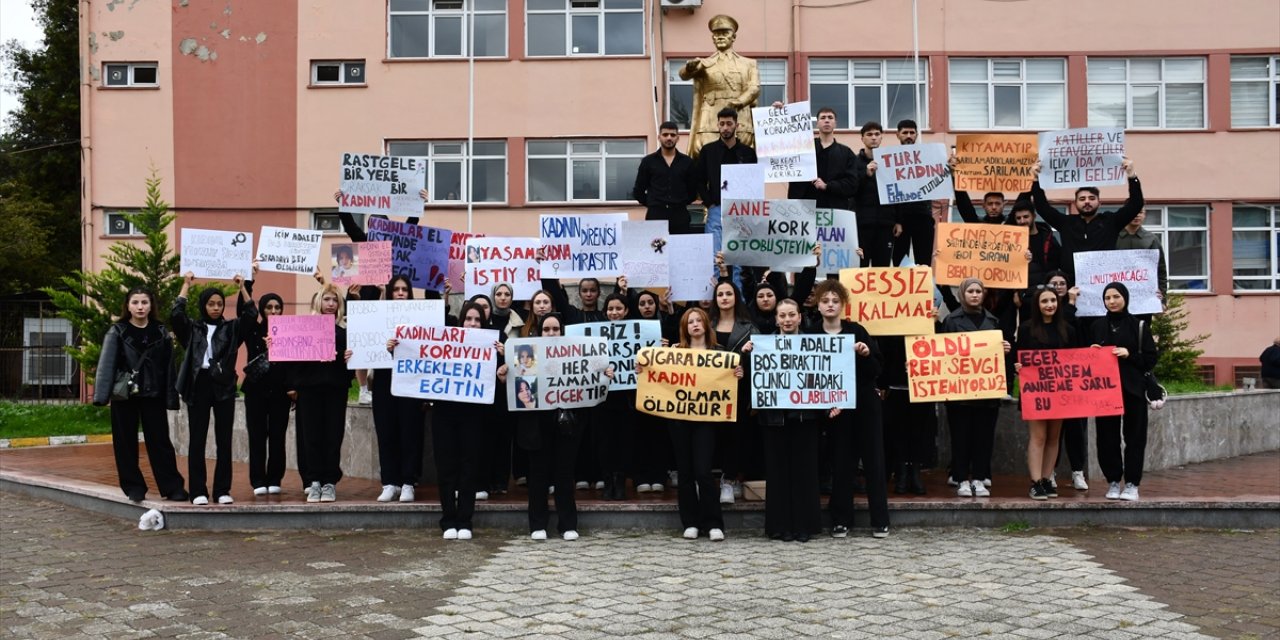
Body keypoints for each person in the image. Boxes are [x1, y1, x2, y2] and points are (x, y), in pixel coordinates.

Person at [638, 307, 743, 541]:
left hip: (706, 419)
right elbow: (655, 376)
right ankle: (691, 522)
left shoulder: (720, 353)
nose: (695, 324)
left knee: (704, 471)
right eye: (689, 322)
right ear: (684, 328)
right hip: (679, 419)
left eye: (698, 320)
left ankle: (714, 523)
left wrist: (737, 373)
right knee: (685, 472)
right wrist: (644, 369)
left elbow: (730, 385)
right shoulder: (675, 352)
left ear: (706, 324)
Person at [753, 299, 840, 542]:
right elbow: (752, 379)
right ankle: (779, 527)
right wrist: (747, 356)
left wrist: (829, 404)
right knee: (777, 473)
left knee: (805, 473)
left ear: (800, 317)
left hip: (806, 417)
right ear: (776, 319)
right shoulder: (764, 345)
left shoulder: (814, 344)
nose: (787, 320)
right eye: (782, 316)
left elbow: (826, 376)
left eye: (792, 315)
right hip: (774, 419)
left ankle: (805, 526)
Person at [810, 279, 889, 538]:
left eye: (835, 301)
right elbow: (808, 377)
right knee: (841, 463)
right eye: (825, 301)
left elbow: (877, 370)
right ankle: (841, 520)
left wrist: (866, 355)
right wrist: (824, 409)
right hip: (836, 409)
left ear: (843, 305)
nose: (830, 305)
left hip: (865, 405)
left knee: (873, 461)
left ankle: (880, 520)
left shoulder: (857, 331)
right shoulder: (811, 335)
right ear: (818, 305)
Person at [93, 287, 187, 503]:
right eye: (135, 302)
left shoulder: (160, 331)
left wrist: (170, 396)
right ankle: (133, 486)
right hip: (125, 396)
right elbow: (106, 365)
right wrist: (102, 396)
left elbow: (168, 367)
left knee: (160, 442)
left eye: (144, 302)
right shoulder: (117, 331)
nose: (140, 307)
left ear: (151, 305)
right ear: (127, 306)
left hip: (152, 394)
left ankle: (173, 487)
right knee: (125, 443)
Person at [172, 272, 253, 506]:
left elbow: (250, 315)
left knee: (224, 439)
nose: (216, 308)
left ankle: (222, 490)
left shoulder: (231, 329)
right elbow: (176, 315)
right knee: (197, 440)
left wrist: (243, 287)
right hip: (199, 384)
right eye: (211, 304)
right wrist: (186, 285)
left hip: (223, 385)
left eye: (219, 304)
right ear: (203, 305)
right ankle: (198, 491)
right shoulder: (193, 329)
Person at [940, 277, 1011, 498]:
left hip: (987, 392)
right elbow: (940, 354)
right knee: (960, 436)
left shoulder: (993, 321)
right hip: (959, 392)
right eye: (970, 291)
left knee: (983, 436)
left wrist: (1005, 349)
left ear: (983, 294)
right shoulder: (951, 321)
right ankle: (961, 478)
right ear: (962, 294)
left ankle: (979, 478)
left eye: (978, 291)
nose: (974, 295)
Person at [286, 284, 355, 503]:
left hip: (336, 389)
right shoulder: (305, 327)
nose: (331, 304)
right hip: (310, 390)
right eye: (327, 299)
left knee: (333, 436)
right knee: (311, 436)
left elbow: (353, 366)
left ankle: (329, 482)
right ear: (319, 301)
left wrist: (349, 359)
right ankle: (314, 481)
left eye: (335, 300)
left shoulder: (345, 330)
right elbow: (294, 358)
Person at [1090, 282, 1158, 501]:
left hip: (1133, 389)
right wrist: (1092, 353)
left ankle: (1131, 483)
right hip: (1105, 391)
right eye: (1107, 298)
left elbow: (1150, 359)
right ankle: (1112, 480)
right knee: (1107, 437)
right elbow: (1085, 361)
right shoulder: (1097, 326)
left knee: (1135, 437)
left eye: (1116, 297)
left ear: (1125, 298)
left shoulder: (1138, 326)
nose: (1112, 301)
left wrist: (1130, 354)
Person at [1029, 158, 1144, 277]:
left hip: (1101, 281)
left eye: (1092, 198)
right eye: (1082, 199)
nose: (1087, 202)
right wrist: (1036, 180)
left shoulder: (1111, 222)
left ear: (1100, 203)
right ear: (1075, 203)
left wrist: (1132, 176)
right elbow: (1042, 207)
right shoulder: (1066, 223)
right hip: (1071, 283)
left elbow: (1136, 204)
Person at [1015, 287, 1077, 500]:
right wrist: (1017, 366)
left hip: (1060, 392)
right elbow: (1019, 356)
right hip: (1036, 393)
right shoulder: (1026, 329)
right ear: (1037, 305)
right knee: (1038, 437)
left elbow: (1076, 359)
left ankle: (1046, 479)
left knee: (1053, 437)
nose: (1049, 304)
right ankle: (1035, 482)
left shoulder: (1068, 330)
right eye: (1044, 301)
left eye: (1053, 300)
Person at [371, 275, 426, 503]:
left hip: (411, 382)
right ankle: (389, 482)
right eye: (396, 289)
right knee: (386, 432)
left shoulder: (420, 317)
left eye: (404, 289)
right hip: (384, 381)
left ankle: (408, 482)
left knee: (410, 432)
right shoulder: (377, 317)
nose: (401, 293)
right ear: (390, 292)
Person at [239, 264, 291, 496]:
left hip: (281, 392)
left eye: (277, 307)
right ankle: (258, 479)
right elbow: (244, 309)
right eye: (269, 307)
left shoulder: (291, 331)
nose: (273, 311)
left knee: (278, 436)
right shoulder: (253, 329)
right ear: (262, 309)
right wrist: (248, 281)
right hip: (256, 391)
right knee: (257, 435)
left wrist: (293, 387)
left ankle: (275, 477)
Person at [691, 107, 758, 281]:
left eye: (729, 123)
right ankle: (715, 298)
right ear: (717, 126)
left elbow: (754, 180)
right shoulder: (708, 151)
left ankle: (739, 299)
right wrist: (710, 202)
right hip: (717, 209)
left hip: (741, 211)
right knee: (715, 257)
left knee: (738, 261)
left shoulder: (748, 153)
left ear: (737, 125)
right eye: (722, 124)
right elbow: (698, 180)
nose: (725, 127)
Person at [679, 14, 760, 159]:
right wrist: (689, 68)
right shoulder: (705, 63)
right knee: (710, 159)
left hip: (740, 118)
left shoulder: (749, 64)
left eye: (725, 33)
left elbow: (754, 88)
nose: (720, 37)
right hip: (710, 120)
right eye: (716, 34)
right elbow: (684, 75)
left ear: (733, 37)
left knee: (742, 159)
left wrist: (739, 102)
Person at [708, 279, 758, 504]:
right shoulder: (707, 324)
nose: (725, 297)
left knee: (735, 436)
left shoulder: (749, 326)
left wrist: (744, 366)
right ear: (715, 299)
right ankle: (711, 481)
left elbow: (760, 360)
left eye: (729, 293)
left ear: (736, 297)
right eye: (720, 294)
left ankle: (729, 480)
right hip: (708, 393)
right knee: (711, 437)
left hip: (738, 392)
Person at [776, 103, 858, 210]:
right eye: (823, 118)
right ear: (817, 124)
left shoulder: (846, 153)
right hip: (805, 209)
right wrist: (779, 114)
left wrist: (828, 186)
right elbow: (781, 146)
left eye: (830, 118)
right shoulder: (803, 149)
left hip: (835, 210)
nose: (827, 120)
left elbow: (852, 184)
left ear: (835, 123)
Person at [633, 121, 698, 235]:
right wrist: (653, 204)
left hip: (680, 216)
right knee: (655, 250)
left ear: (677, 138)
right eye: (665, 135)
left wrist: (679, 202)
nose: (669, 138)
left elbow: (692, 191)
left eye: (673, 135)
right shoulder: (648, 162)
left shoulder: (687, 162)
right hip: (656, 215)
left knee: (680, 251)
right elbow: (638, 191)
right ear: (659, 137)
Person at [890, 120, 938, 267]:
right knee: (899, 262)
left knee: (924, 264)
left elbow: (940, 176)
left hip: (923, 216)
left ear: (917, 135)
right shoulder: (889, 159)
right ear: (898, 135)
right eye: (905, 133)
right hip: (900, 219)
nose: (909, 136)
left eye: (912, 133)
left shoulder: (928, 158)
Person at [851, 122, 896, 267]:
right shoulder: (854, 163)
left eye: (877, 134)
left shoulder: (891, 162)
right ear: (862, 138)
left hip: (885, 225)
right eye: (869, 135)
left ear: (882, 138)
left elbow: (898, 192)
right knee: (860, 267)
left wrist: (898, 220)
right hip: (862, 225)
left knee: (882, 268)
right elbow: (850, 190)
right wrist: (866, 174)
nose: (874, 138)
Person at [1114, 208, 1169, 312]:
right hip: (1116, 299)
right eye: (1133, 211)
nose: (1136, 215)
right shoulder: (1112, 237)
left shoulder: (1152, 239)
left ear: (1145, 214)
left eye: (1140, 212)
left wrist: (1162, 300)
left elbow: (1160, 271)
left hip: (1144, 301)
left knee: (1142, 327)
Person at [1008, 201, 1061, 288]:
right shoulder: (1013, 241)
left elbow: (1057, 265)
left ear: (1034, 216)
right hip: (1024, 291)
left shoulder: (1049, 238)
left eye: (1026, 217)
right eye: (1018, 218)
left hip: (1047, 290)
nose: (1022, 221)